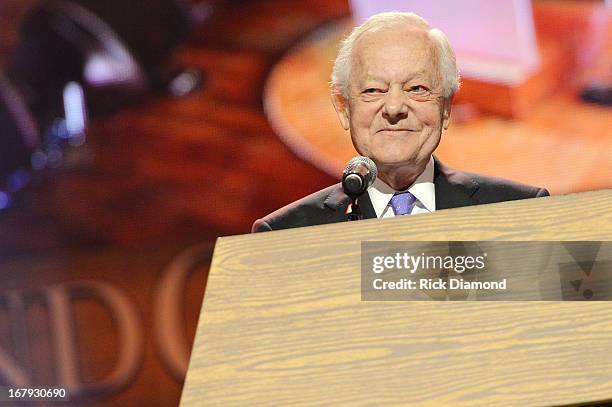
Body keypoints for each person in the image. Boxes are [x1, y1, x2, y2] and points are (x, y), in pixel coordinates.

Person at [252, 11, 549, 233]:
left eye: (417, 88)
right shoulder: (284, 234)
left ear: (446, 107)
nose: (394, 107)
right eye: (373, 90)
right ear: (344, 108)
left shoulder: (523, 213)